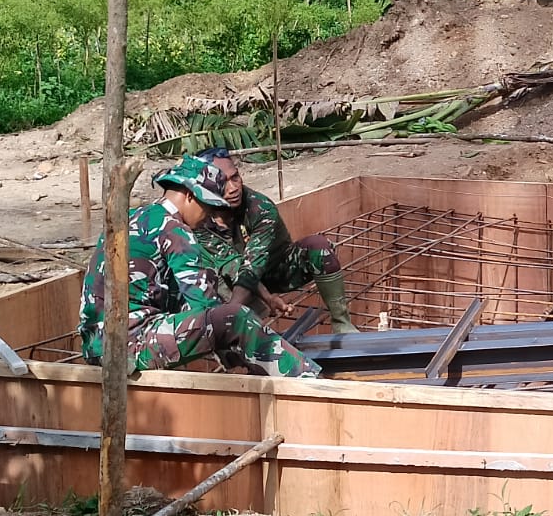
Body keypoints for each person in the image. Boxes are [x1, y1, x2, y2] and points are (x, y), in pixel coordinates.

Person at [77, 156, 321, 377]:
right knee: (234, 317)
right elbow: (205, 305)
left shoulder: (133, 217)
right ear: (190, 196)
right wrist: (240, 339)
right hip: (131, 346)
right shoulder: (175, 230)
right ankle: (308, 379)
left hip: (97, 344)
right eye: (208, 207)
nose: (210, 216)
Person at [195, 149, 358, 334]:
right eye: (223, 182)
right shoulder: (198, 217)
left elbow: (253, 265)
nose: (233, 188)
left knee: (318, 246)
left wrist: (265, 299)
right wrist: (255, 303)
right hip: (232, 280)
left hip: (274, 269)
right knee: (207, 277)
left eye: (235, 177)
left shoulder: (260, 208)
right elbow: (231, 265)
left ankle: (342, 322)